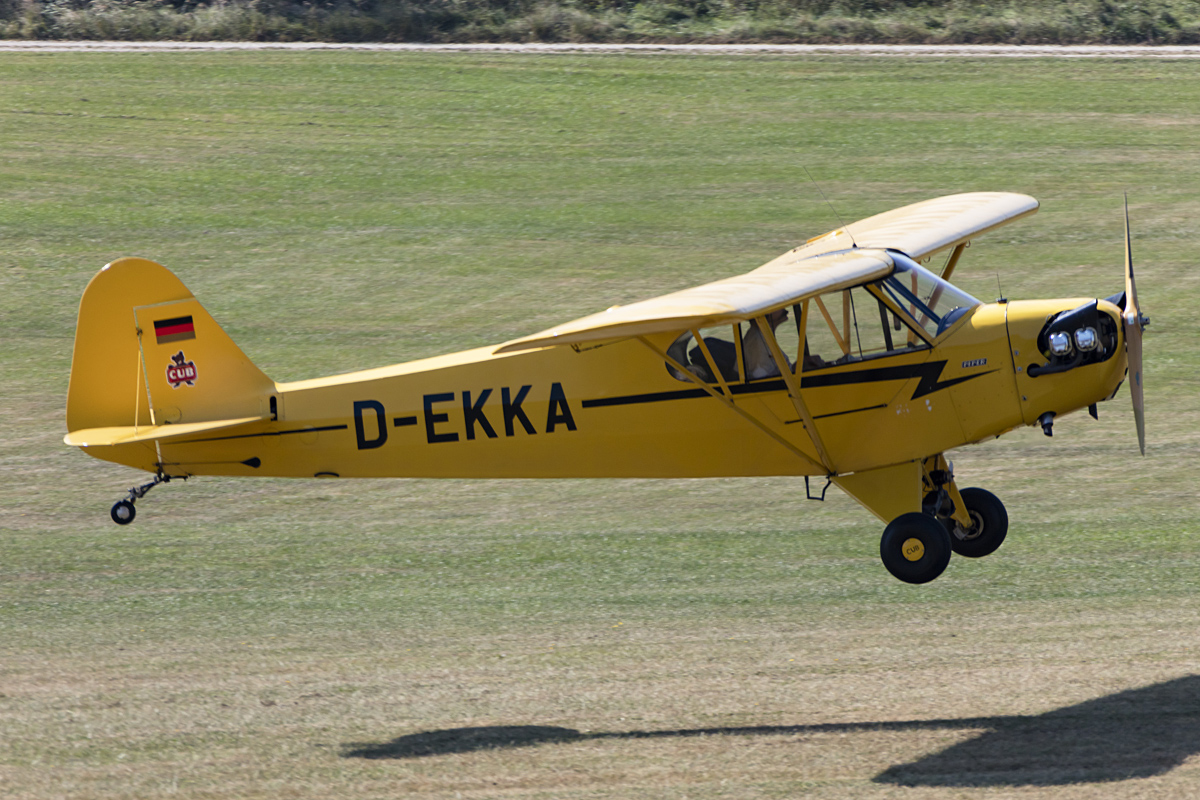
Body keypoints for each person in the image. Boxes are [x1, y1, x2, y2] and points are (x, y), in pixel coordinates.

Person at [743, 308, 792, 380]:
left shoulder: (764, 336)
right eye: (775, 305)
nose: (782, 307)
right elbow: (760, 378)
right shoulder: (757, 342)